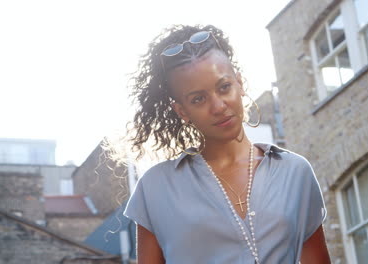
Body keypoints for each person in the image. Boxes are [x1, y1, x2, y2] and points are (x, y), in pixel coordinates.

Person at [123, 24, 331, 264]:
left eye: (224, 87)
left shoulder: (295, 172)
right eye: (198, 99)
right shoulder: (155, 188)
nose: (218, 106)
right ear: (182, 110)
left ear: (239, 84)